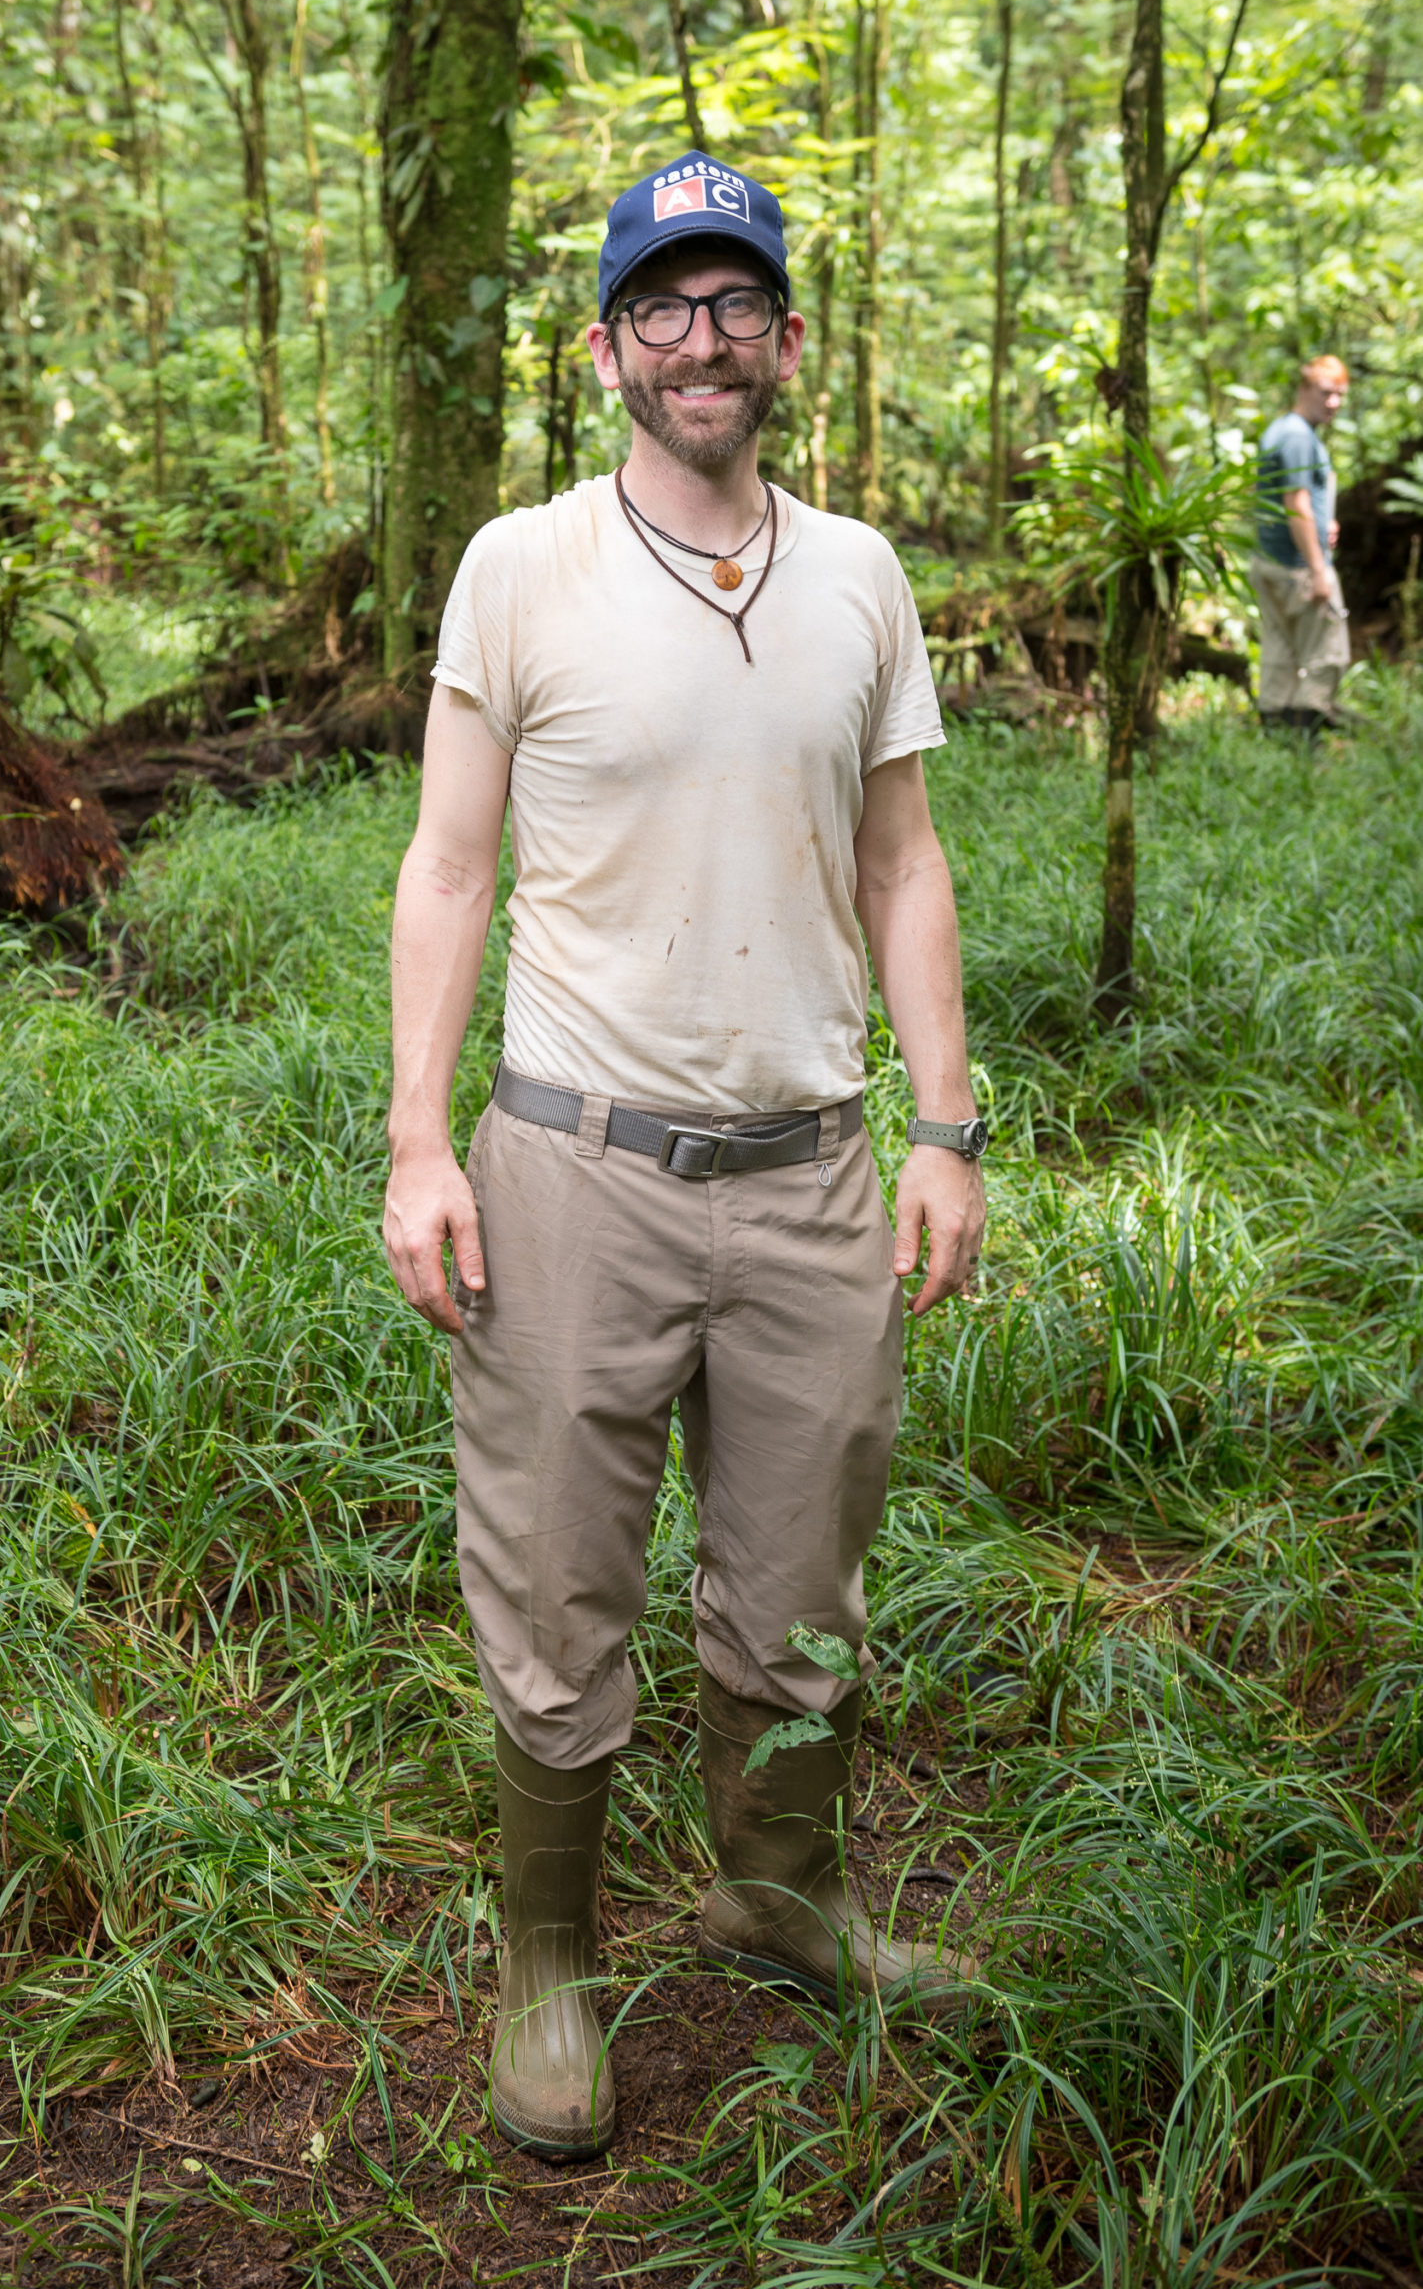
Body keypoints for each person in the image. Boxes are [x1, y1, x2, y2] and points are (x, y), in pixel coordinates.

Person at [383, 151, 989, 2164]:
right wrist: (417, 1140)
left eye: (737, 301)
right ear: (607, 347)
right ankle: (547, 1956)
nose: (703, 335)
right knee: (559, 1584)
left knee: (801, 1582)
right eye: (665, 302)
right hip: (575, 1164)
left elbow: (903, 859)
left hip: (816, 1170)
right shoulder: (519, 566)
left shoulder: (860, 576)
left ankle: (777, 1891)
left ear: (786, 339)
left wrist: (943, 1121)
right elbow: (451, 861)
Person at [1251, 355, 1352, 732]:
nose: (1333, 403)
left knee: (1280, 651)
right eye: (1326, 393)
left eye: (1340, 395)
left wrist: (1326, 521)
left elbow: (1288, 497)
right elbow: (1296, 503)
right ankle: (1306, 736)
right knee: (1327, 653)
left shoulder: (1281, 430)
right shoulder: (1297, 436)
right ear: (1304, 388)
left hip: (1271, 559)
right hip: (1297, 566)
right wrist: (1318, 570)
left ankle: (1277, 733)